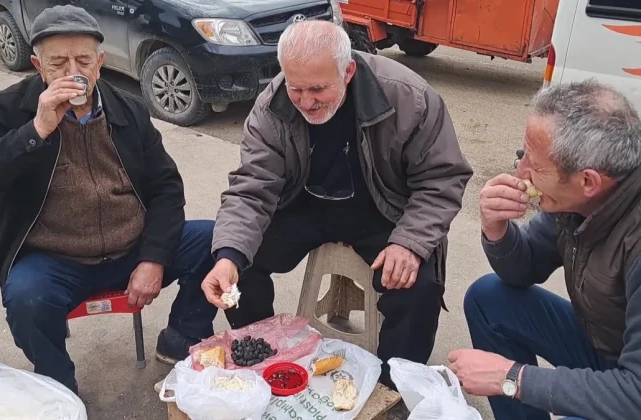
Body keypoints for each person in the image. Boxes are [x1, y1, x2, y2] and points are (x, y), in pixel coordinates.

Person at [0, 5, 217, 394]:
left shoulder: (127, 108)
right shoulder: (13, 109)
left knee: (217, 239)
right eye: (58, 63)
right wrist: (37, 128)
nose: (72, 72)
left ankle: (180, 338)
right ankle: (59, 389)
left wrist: (153, 258)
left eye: (83, 60)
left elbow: (166, 187)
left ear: (99, 63)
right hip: (57, 260)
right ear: (38, 66)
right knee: (27, 298)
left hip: (132, 247)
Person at [201, 20, 473, 389]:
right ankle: (263, 356)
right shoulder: (272, 105)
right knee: (235, 259)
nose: (306, 101)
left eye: (318, 89)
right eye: (296, 88)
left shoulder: (410, 96)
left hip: (384, 208)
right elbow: (252, 188)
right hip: (305, 203)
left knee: (417, 284)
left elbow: (441, 179)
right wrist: (228, 255)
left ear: (348, 71)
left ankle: (395, 385)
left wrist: (409, 242)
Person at [448, 80, 641, 420]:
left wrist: (510, 378)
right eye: (523, 155)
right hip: (607, 346)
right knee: (489, 298)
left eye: (535, 167)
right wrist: (497, 230)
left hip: (632, 387)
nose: (522, 173)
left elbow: (634, 395)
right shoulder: (578, 199)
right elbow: (525, 268)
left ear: (588, 181)